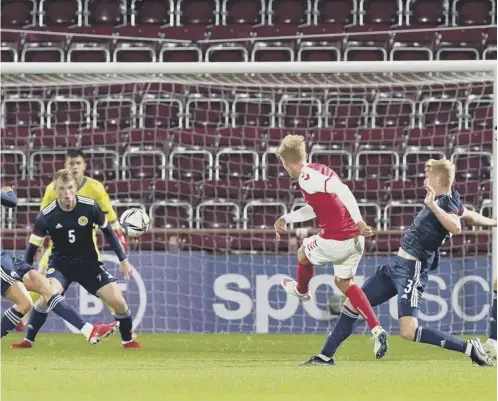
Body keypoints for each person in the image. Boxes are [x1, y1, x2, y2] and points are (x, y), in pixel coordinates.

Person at [301, 159, 495, 367]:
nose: (424, 180)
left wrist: (432, 206)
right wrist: (494, 222)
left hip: (412, 269)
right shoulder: (452, 200)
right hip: (396, 265)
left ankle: (469, 348)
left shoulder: (444, 203)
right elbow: (470, 216)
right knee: (352, 303)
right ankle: (325, 356)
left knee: (408, 331)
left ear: (438, 178)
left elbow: (456, 227)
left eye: (428, 176)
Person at [274, 135, 388, 359]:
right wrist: (286, 218)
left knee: (302, 253)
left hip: (337, 240)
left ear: (286, 163)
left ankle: (302, 291)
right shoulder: (320, 170)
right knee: (344, 283)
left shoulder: (307, 177)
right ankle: (377, 329)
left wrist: (359, 220)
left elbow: (343, 190)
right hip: (355, 242)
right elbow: (315, 209)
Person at [11, 170, 141, 349]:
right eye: (62, 189)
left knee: (118, 301)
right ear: (56, 190)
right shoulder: (46, 216)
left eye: (70, 187)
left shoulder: (90, 207)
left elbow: (109, 233)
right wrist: (25, 272)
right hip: (60, 266)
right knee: (47, 296)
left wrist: (123, 259)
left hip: (89, 265)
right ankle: (28, 340)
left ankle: (127, 340)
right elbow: (32, 248)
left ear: (76, 188)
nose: (66, 193)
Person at [18, 148, 128, 331]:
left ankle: (123, 323)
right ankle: (22, 317)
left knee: (107, 287)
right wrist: (39, 248)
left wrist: (121, 242)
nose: (75, 167)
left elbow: (112, 221)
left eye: (78, 163)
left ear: (84, 165)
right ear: (65, 166)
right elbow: (43, 220)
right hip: (57, 246)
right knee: (38, 279)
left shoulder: (95, 188)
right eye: (71, 163)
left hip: (87, 246)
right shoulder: (53, 189)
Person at [1, 186, 118, 343]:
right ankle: (89, 331)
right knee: (24, 303)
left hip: (5, 257)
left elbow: (11, 199)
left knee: (46, 288)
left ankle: (89, 331)